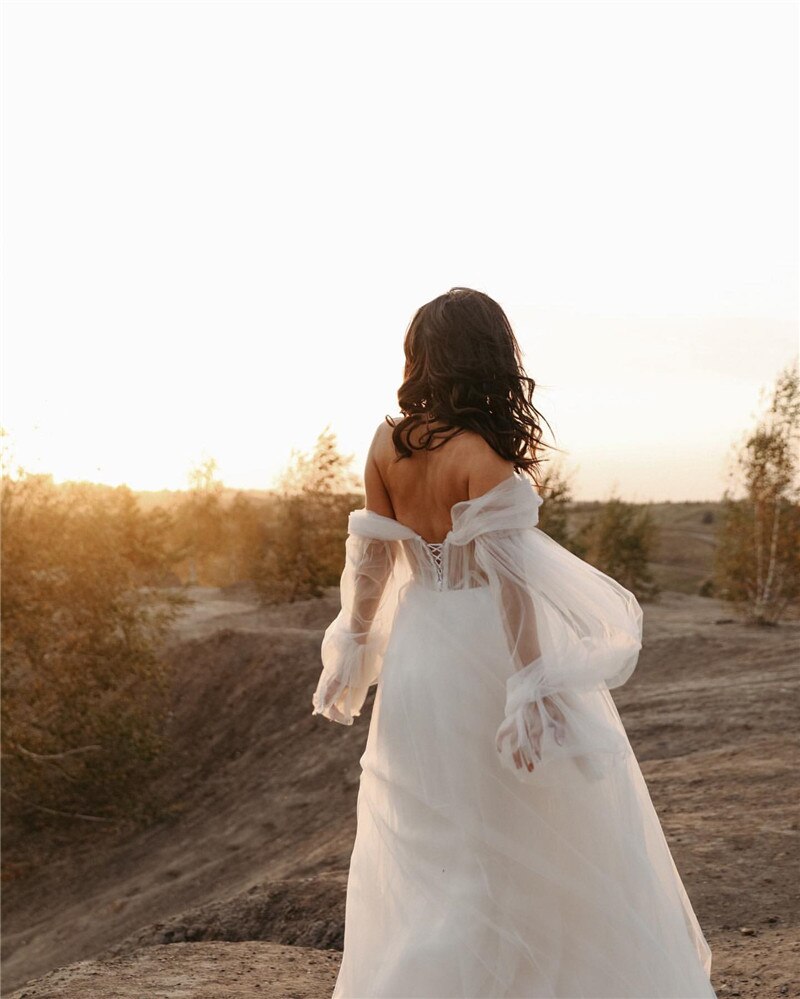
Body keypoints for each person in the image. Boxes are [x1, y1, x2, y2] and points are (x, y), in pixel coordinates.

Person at [311, 287, 717, 998]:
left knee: (439, 833)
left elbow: (371, 560)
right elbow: (512, 590)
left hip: (416, 661)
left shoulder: (385, 444)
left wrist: (353, 638)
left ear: (423, 358)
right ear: (492, 358)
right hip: (481, 657)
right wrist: (532, 687)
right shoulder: (483, 456)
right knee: (523, 832)